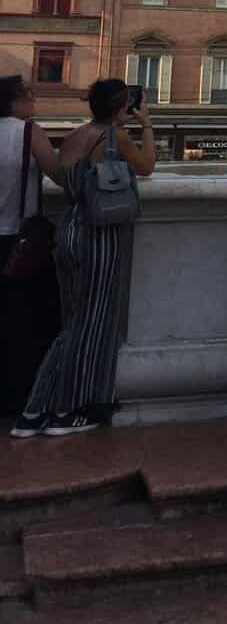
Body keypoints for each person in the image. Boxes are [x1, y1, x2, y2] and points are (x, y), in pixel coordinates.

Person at [15, 78, 155, 437]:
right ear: (120, 108)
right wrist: (147, 126)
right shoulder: (115, 137)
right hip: (99, 235)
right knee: (89, 325)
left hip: (69, 229)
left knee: (72, 322)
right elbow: (147, 166)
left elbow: (64, 179)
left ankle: (35, 412)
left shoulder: (75, 135)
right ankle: (61, 411)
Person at [0, 77, 61, 421]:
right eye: (27, 95)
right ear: (13, 102)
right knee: (28, 322)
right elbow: (59, 173)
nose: (33, 100)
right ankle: (24, 401)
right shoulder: (28, 132)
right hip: (20, 242)